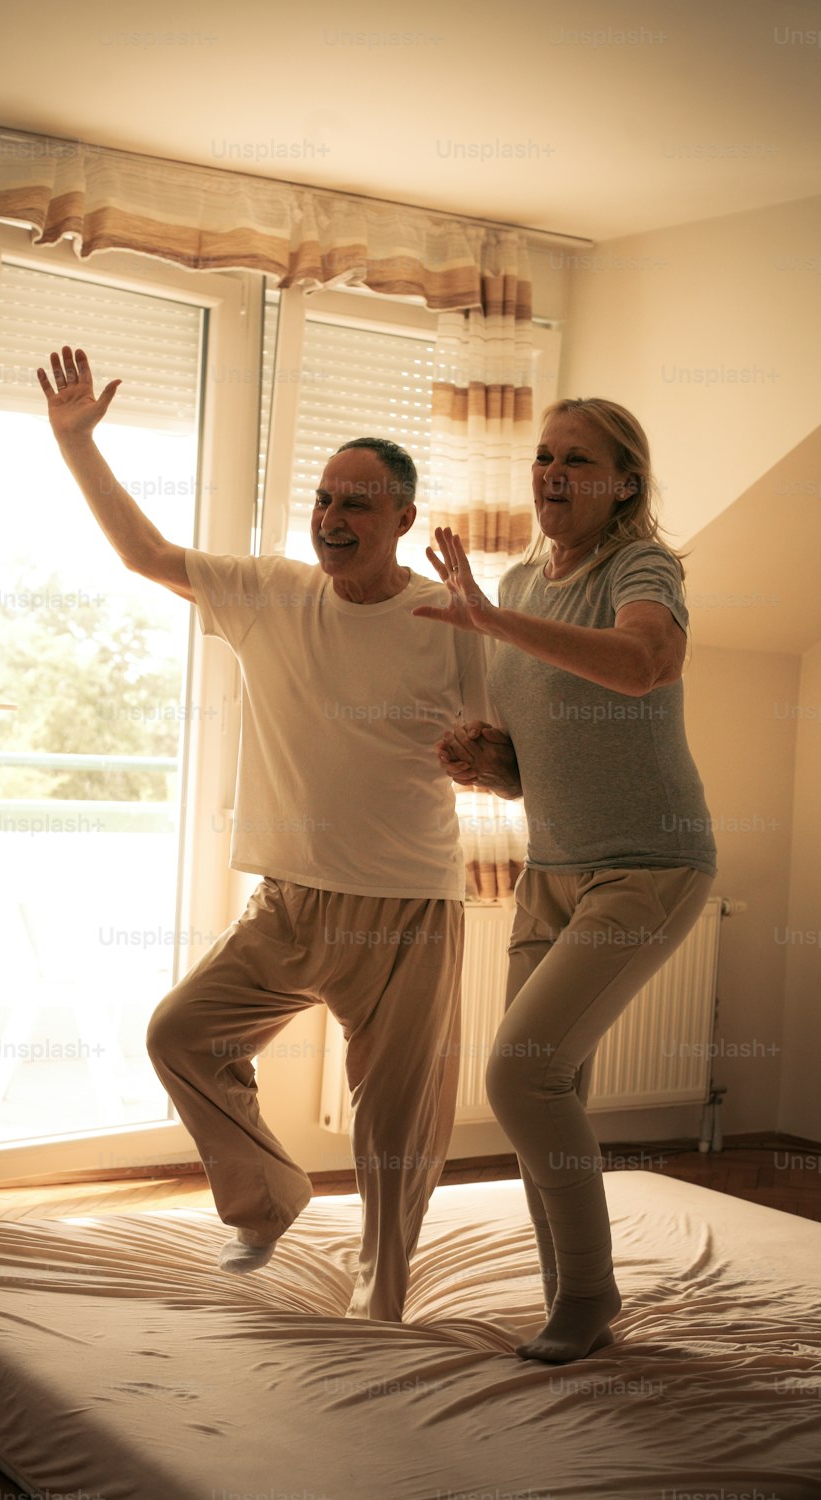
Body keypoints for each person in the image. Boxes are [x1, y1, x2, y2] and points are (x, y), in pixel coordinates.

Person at [35, 346, 518, 1322]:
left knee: (392, 1122)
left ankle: (380, 1295)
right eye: (325, 499)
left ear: (401, 522)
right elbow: (146, 554)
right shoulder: (269, 592)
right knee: (181, 1034)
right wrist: (77, 445)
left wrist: (490, 765)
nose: (333, 519)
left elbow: (513, 767)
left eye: (358, 504)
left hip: (402, 911)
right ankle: (269, 1195)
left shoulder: (450, 621)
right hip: (288, 900)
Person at [414, 397, 717, 1364]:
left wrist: (492, 619)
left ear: (623, 482)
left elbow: (641, 667)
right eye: (542, 456)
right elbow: (547, 753)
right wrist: (489, 764)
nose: (550, 473)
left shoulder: (643, 566)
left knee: (518, 1073)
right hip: (552, 869)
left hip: (650, 863)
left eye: (576, 460)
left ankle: (589, 1296)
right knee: (553, 1089)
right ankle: (568, 1303)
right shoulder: (514, 580)